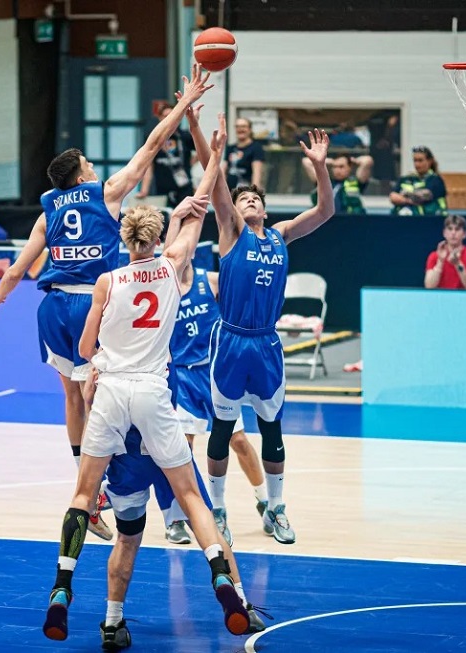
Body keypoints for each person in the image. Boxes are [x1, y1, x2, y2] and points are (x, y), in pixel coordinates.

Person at [41, 129, 252, 642]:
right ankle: (224, 583)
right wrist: (214, 156)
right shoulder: (173, 267)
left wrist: (97, 363)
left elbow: (85, 349)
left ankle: (64, 588)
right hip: (155, 396)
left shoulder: (107, 281)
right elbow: (199, 208)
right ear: (158, 239)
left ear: (124, 239)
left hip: (112, 393)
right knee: (191, 497)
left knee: (85, 496)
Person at [0, 66, 214, 541]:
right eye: (89, 164)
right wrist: (184, 102)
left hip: (51, 308)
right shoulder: (106, 194)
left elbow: (18, 268)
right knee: (100, 390)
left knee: (73, 395)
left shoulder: (47, 210)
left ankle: (85, 488)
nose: (94, 168)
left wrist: (1, 293)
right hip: (91, 302)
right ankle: (99, 487)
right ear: (81, 175)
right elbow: (152, 145)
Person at [188, 107, 335, 546]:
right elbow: (214, 180)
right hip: (231, 340)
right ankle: (217, 511)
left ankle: (276, 508)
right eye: (243, 199)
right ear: (233, 210)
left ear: (266, 211)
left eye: (256, 199)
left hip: (267, 343)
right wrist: (199, 132)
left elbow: (325, 210)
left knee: (272, 429)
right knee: (222, 429)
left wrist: (320, 167)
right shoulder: (232, 231)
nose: (249, 201)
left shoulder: (280, 234)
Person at [96, 369, 267, 649]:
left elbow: (88, 400)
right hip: (165, 439)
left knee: (126, 538)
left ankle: (113, 622)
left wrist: (91, 480)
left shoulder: (103, 357)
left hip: (128, 451)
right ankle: (239, 600)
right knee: (202, 515)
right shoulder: (161, 348)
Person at [162, 208, 268, 547]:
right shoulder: (163, 288)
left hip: (216, 374)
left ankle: (266, 502)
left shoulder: (210, 280)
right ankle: (175, 519)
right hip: (183, 378)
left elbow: (244, 294)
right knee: (181, 451)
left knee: (239, 441)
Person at [135, 132, 195, 208]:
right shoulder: (154, 136)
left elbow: (201, 150)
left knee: (186, 212)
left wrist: (190, 163)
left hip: (184, 188)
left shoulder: (185, 136)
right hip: (162, 188)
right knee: (163, 213)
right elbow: (149, 165)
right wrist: (144, 190)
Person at [424, 215, 466, 290]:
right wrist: (440, 261)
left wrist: (458, 264)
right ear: (444, 233)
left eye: (457, 229)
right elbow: (429, 286)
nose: (453, 233)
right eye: (450, 229)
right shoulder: (434, 256)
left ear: (464, 234)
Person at [304, 153, 373, 215]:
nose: (337, 170)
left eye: (341, 166)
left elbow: (368, 161)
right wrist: (329, 161)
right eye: (334, 167)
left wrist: (353, 160)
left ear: (349, 167)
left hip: (350, 220)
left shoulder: (356, 182)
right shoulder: (324, 182)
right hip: (328, 221)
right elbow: (306, 162)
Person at [389, 146, 448, 216]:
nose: (417, 164)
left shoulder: (436, 180)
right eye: (415, 160)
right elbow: (393, 197)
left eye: (420, 160)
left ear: (430, 161)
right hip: (401, 218)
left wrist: (404, 196)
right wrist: (409, 199)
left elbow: (423, 196)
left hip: (427, 220)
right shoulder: (405, 178)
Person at [224, 117, 265, 189]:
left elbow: (257, 173)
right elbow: (223, 171)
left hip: (246, 191)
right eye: (237, 126)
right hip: (229, 191)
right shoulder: (230, 148)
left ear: (250, 129)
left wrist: (254, 192)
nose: (240, 129)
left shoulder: (256, 148)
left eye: (243, 126)